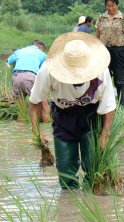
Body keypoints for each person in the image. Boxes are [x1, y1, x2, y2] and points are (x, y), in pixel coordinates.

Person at [29, 32, 116, 190]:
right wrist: (36, 132)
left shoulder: (101, 70)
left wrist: (105, 134)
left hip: (91, 115)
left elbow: (109, 104)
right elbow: (35, 102)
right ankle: (68, 208)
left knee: (94, 169)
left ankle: (92, 205)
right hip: (64, 116)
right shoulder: (47, 70)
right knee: (65, 172)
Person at [95, 0, 124, 106]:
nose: (110, 8)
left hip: (118, 51)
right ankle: (103, 104)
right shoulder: (101, 18)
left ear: (117, 4)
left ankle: (121, 106)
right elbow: (97, 36)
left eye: (113, 6)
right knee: (102, 79)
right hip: (104, 51)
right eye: (108, 6)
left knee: (119, 80)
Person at [7, 39, 50, 122]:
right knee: (45, 109)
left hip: (16, 76)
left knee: (21, 112)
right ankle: (46, 132)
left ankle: (21, 133)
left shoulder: (19, 51)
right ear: (40, 47)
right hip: (30, 77)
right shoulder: (41, 54)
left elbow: (8, 61)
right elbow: (44, 70)